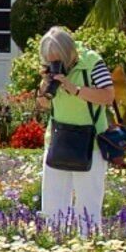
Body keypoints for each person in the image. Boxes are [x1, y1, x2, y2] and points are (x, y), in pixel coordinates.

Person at [35, 26, 114, 227]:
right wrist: (45, 88)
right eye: (49, 60)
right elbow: (43, 105)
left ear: (68, 52)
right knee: (52, 208)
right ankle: (55, 246)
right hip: (58, 140)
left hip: (90, 142)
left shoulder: (92, 62)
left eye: (57, 59)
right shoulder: (51, 68)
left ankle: (88, 249)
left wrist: (75, 89)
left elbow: (108, 96)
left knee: (88, 207)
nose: (55, 64)